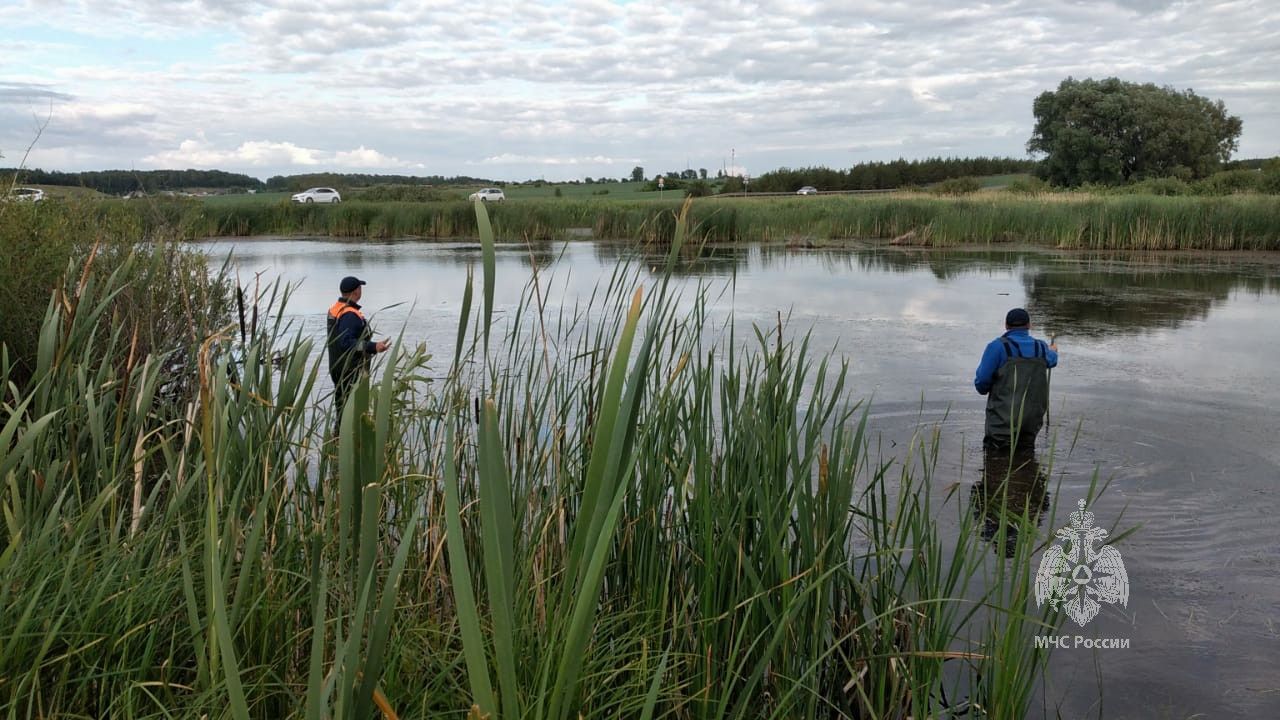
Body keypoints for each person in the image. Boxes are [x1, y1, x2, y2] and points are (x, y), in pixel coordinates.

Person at [974, 307, 1058, 450]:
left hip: (1002, 423)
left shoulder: (996, 347)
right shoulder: (1041, 347)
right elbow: (1052, 361)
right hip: (1031, 423)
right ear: (1029, 325)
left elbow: (981, 384)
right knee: (1026, 457)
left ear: (1006, 325)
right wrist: (1053, 350)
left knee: (995, 460)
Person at [327, 275, 389, 427]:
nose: (361, 291)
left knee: (342, 409)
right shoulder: (350, 314)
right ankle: (349, 440)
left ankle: (338, 440)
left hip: (337, 366)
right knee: (351, 410)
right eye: (360, 288)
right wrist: (373, 347)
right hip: (349, 369)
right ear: (356, 291)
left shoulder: (335, 309)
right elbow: (346, 342)